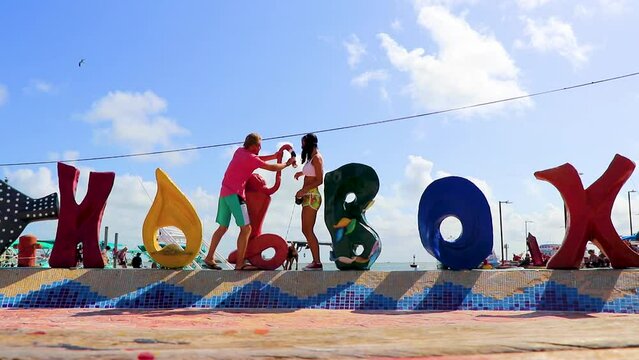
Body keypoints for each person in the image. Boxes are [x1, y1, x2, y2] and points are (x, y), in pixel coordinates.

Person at [204, 133, 295, 270]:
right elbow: (270, 167)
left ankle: (209, 257)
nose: (260, 148)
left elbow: (257, 159)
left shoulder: (239, 152)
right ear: (253, 146)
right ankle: (240, 264)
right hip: (236, 195)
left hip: (224, 193)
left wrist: (274, 156)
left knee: (222, 227)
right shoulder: (251, 158)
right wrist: (286, 164)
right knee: (246, 229)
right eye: (259, 146)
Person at [294, 133, 324, 271]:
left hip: (312, 196)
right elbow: (311, 173)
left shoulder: (317, 158)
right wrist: (301, 173)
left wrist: (304, 190)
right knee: (305, 229)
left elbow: (319, 180)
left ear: (309, 143)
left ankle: (317, 262)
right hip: (308, 196)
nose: (301, 146)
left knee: (308, 230)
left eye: (303, 143)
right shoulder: (311, 158)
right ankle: (315, 261)